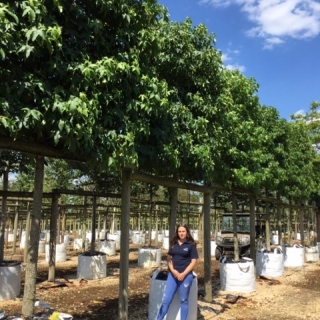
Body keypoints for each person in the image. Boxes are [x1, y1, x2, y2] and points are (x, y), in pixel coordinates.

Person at [156, 224, 198, 320]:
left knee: (183, 300)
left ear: (187, 232)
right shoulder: (173, 243)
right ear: (177, 232)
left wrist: (183, 274)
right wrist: (173, 271)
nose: (181, 233)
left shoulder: (191, 245)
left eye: (183, 231)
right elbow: (169, 258)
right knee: (166, 300)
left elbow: (193, 261)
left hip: (186, 276)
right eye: (179, 231)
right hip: (173, 275)